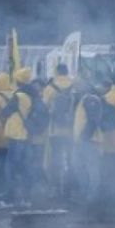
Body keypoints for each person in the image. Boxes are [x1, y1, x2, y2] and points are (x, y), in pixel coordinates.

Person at [2, 68, 38, 206]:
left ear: (18, 81)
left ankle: (10, 197)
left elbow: (6, 112)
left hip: (16, 135)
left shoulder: (19, 96)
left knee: (11, 167)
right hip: (26, 135)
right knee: (25, 167)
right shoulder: (33, 95)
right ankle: (26, 198)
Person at [43, 64, 76, 197]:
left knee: (56, 159)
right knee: (71, 159)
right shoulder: (75, 85)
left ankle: (56, 188)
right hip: (72, 129)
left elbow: (45, 107)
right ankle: (70, 187)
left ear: (56, 72)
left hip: (54, 129)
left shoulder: (50, 88)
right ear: (67, 71)